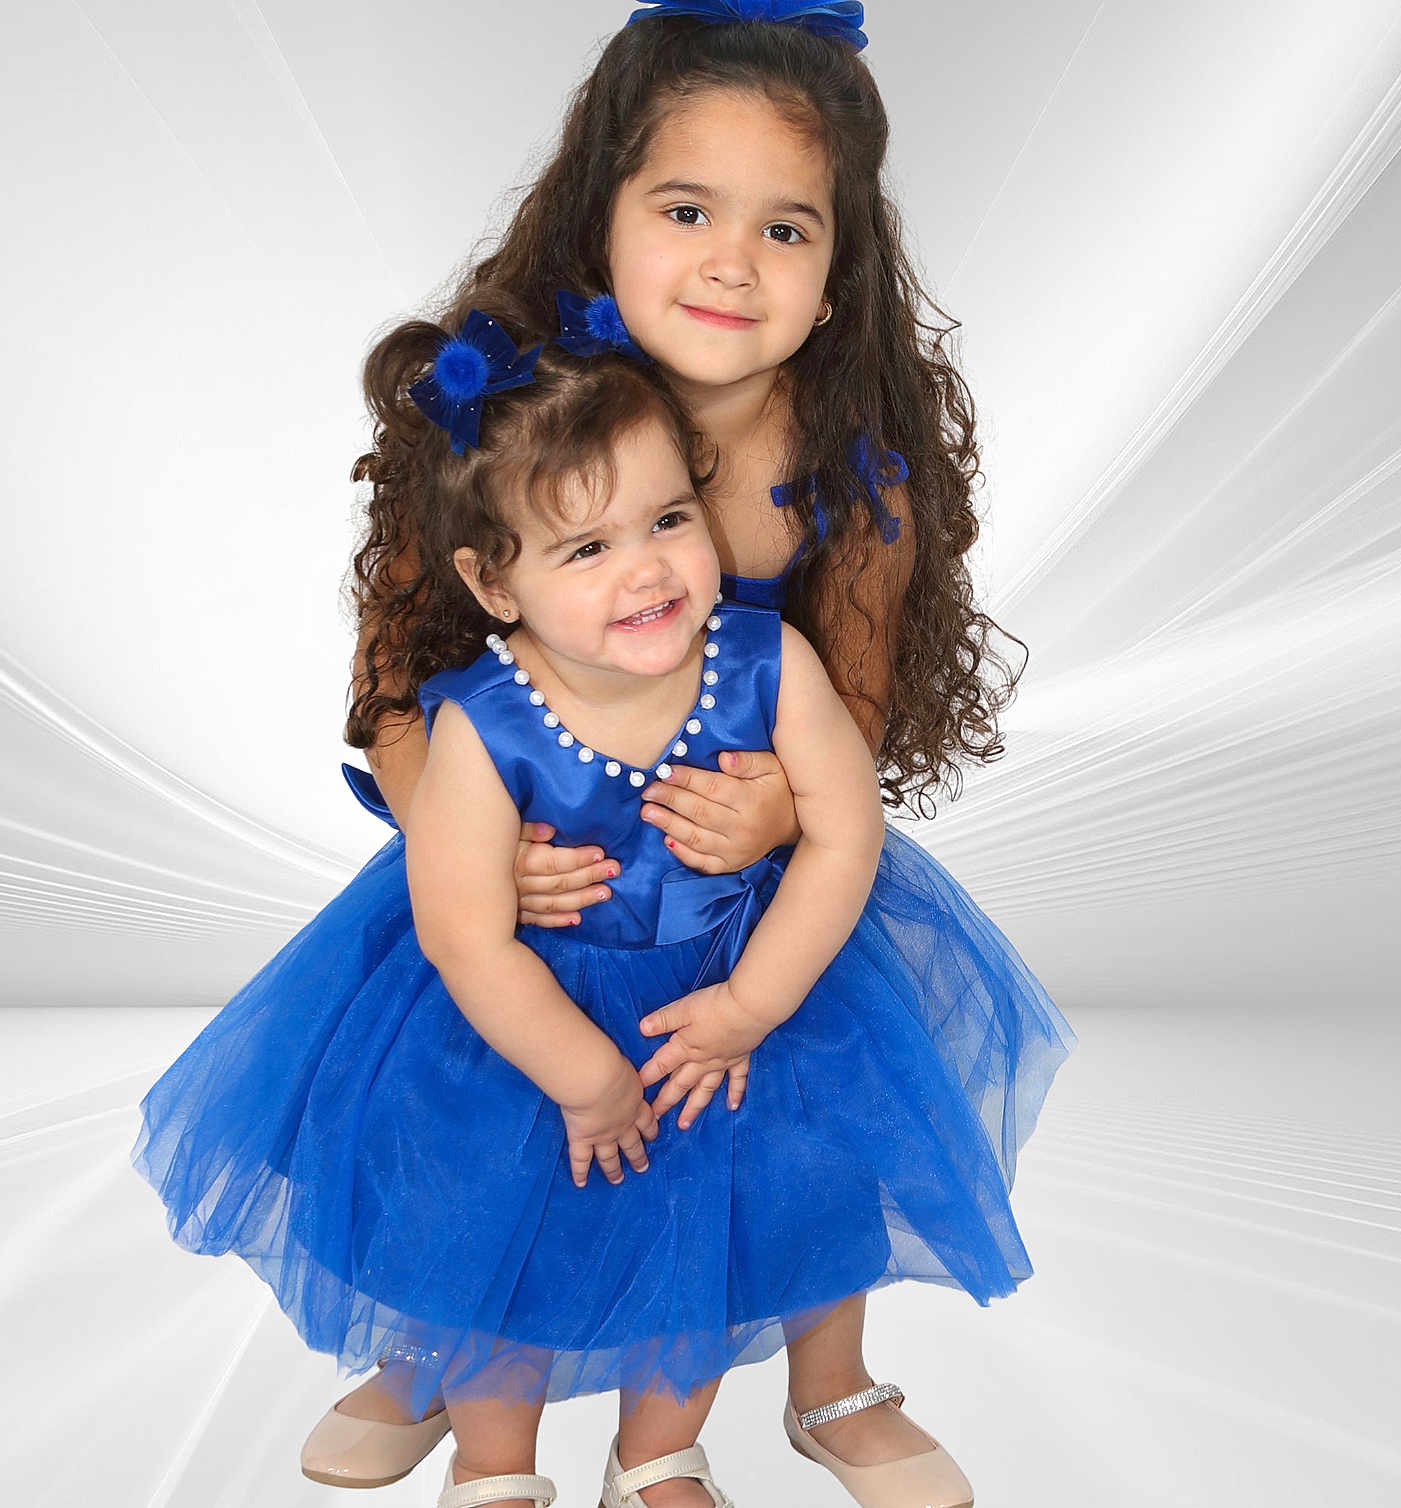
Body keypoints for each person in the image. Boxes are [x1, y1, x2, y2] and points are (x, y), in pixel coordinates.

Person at [322, 4, 1076, 1505]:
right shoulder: (516, 413)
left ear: (838, 261)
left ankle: (825, 1385)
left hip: (745, 895)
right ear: (598, 207)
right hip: (531, 868)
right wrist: (462, 842)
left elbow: (846, 720)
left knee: (803, 1115)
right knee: (482, 1113)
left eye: (786, 227)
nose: (732, 262)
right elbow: (397, 676)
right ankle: (444, 1349)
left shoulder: (848, 478)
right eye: (684, 210)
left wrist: (783, 807)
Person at [132, 307, 1073, 1508]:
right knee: (491, 1227)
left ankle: (657, 1453)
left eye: (669, 519)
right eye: (584, 549)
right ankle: (492, 1463)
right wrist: (578, 1070)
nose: (644, 567)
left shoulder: (764, 661)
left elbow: (845, 832)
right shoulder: (480, 719)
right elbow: (463, 930)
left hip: (725, 989)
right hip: (527, 1016)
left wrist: (750, 1000)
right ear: (492, 580)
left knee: (712, 1216)